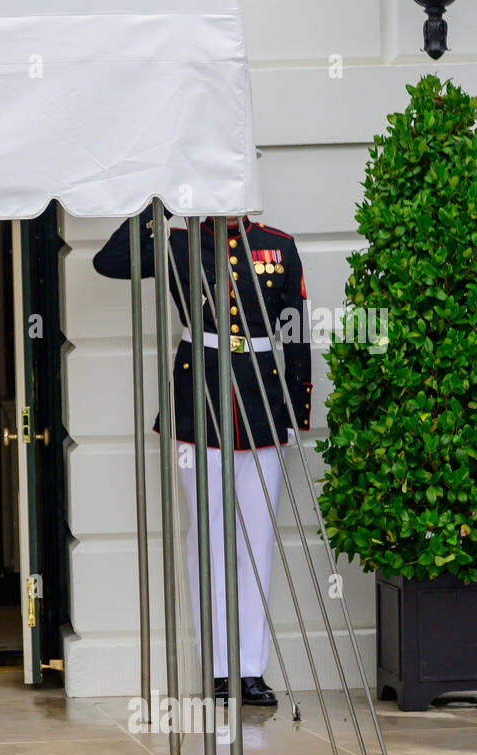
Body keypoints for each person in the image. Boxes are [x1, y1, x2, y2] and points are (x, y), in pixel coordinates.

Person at [92, 203, 313, 706]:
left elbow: (295, 331)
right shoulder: (178, 241)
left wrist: (296, 412)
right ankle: (218, 668)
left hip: (261, 408)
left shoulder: (278, 244)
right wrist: (161, 205)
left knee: (256, 540)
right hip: (198, 405)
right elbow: (110, 260)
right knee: (207, 538)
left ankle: (251, 671)